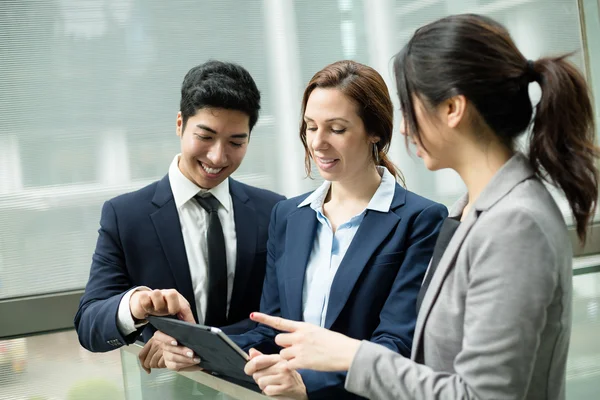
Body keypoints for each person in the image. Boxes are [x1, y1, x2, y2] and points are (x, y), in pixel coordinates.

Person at [244, 13, 599, 400]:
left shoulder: (515, 223)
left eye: (410, 107)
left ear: (452, 109)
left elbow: (482, 395)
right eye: (311, 126)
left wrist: (352, 355)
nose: (404, 128)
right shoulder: (470, 212)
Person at [155, 60, 448, 399]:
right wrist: (191, 345)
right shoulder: (289, 216)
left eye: (336, 129)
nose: (318, 143)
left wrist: (306, 383)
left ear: (375, 132)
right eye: (311, 127)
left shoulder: (421, 220)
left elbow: (396, 342)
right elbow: (270, 328)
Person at [74, 61, 285, 370]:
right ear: (179, 124)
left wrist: (189, 345)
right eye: (206, 136)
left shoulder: (273, 212)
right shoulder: (125, 216)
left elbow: (280, 317)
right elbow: (89, 325)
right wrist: (134, 305)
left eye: (236, 142)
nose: (218, 156)